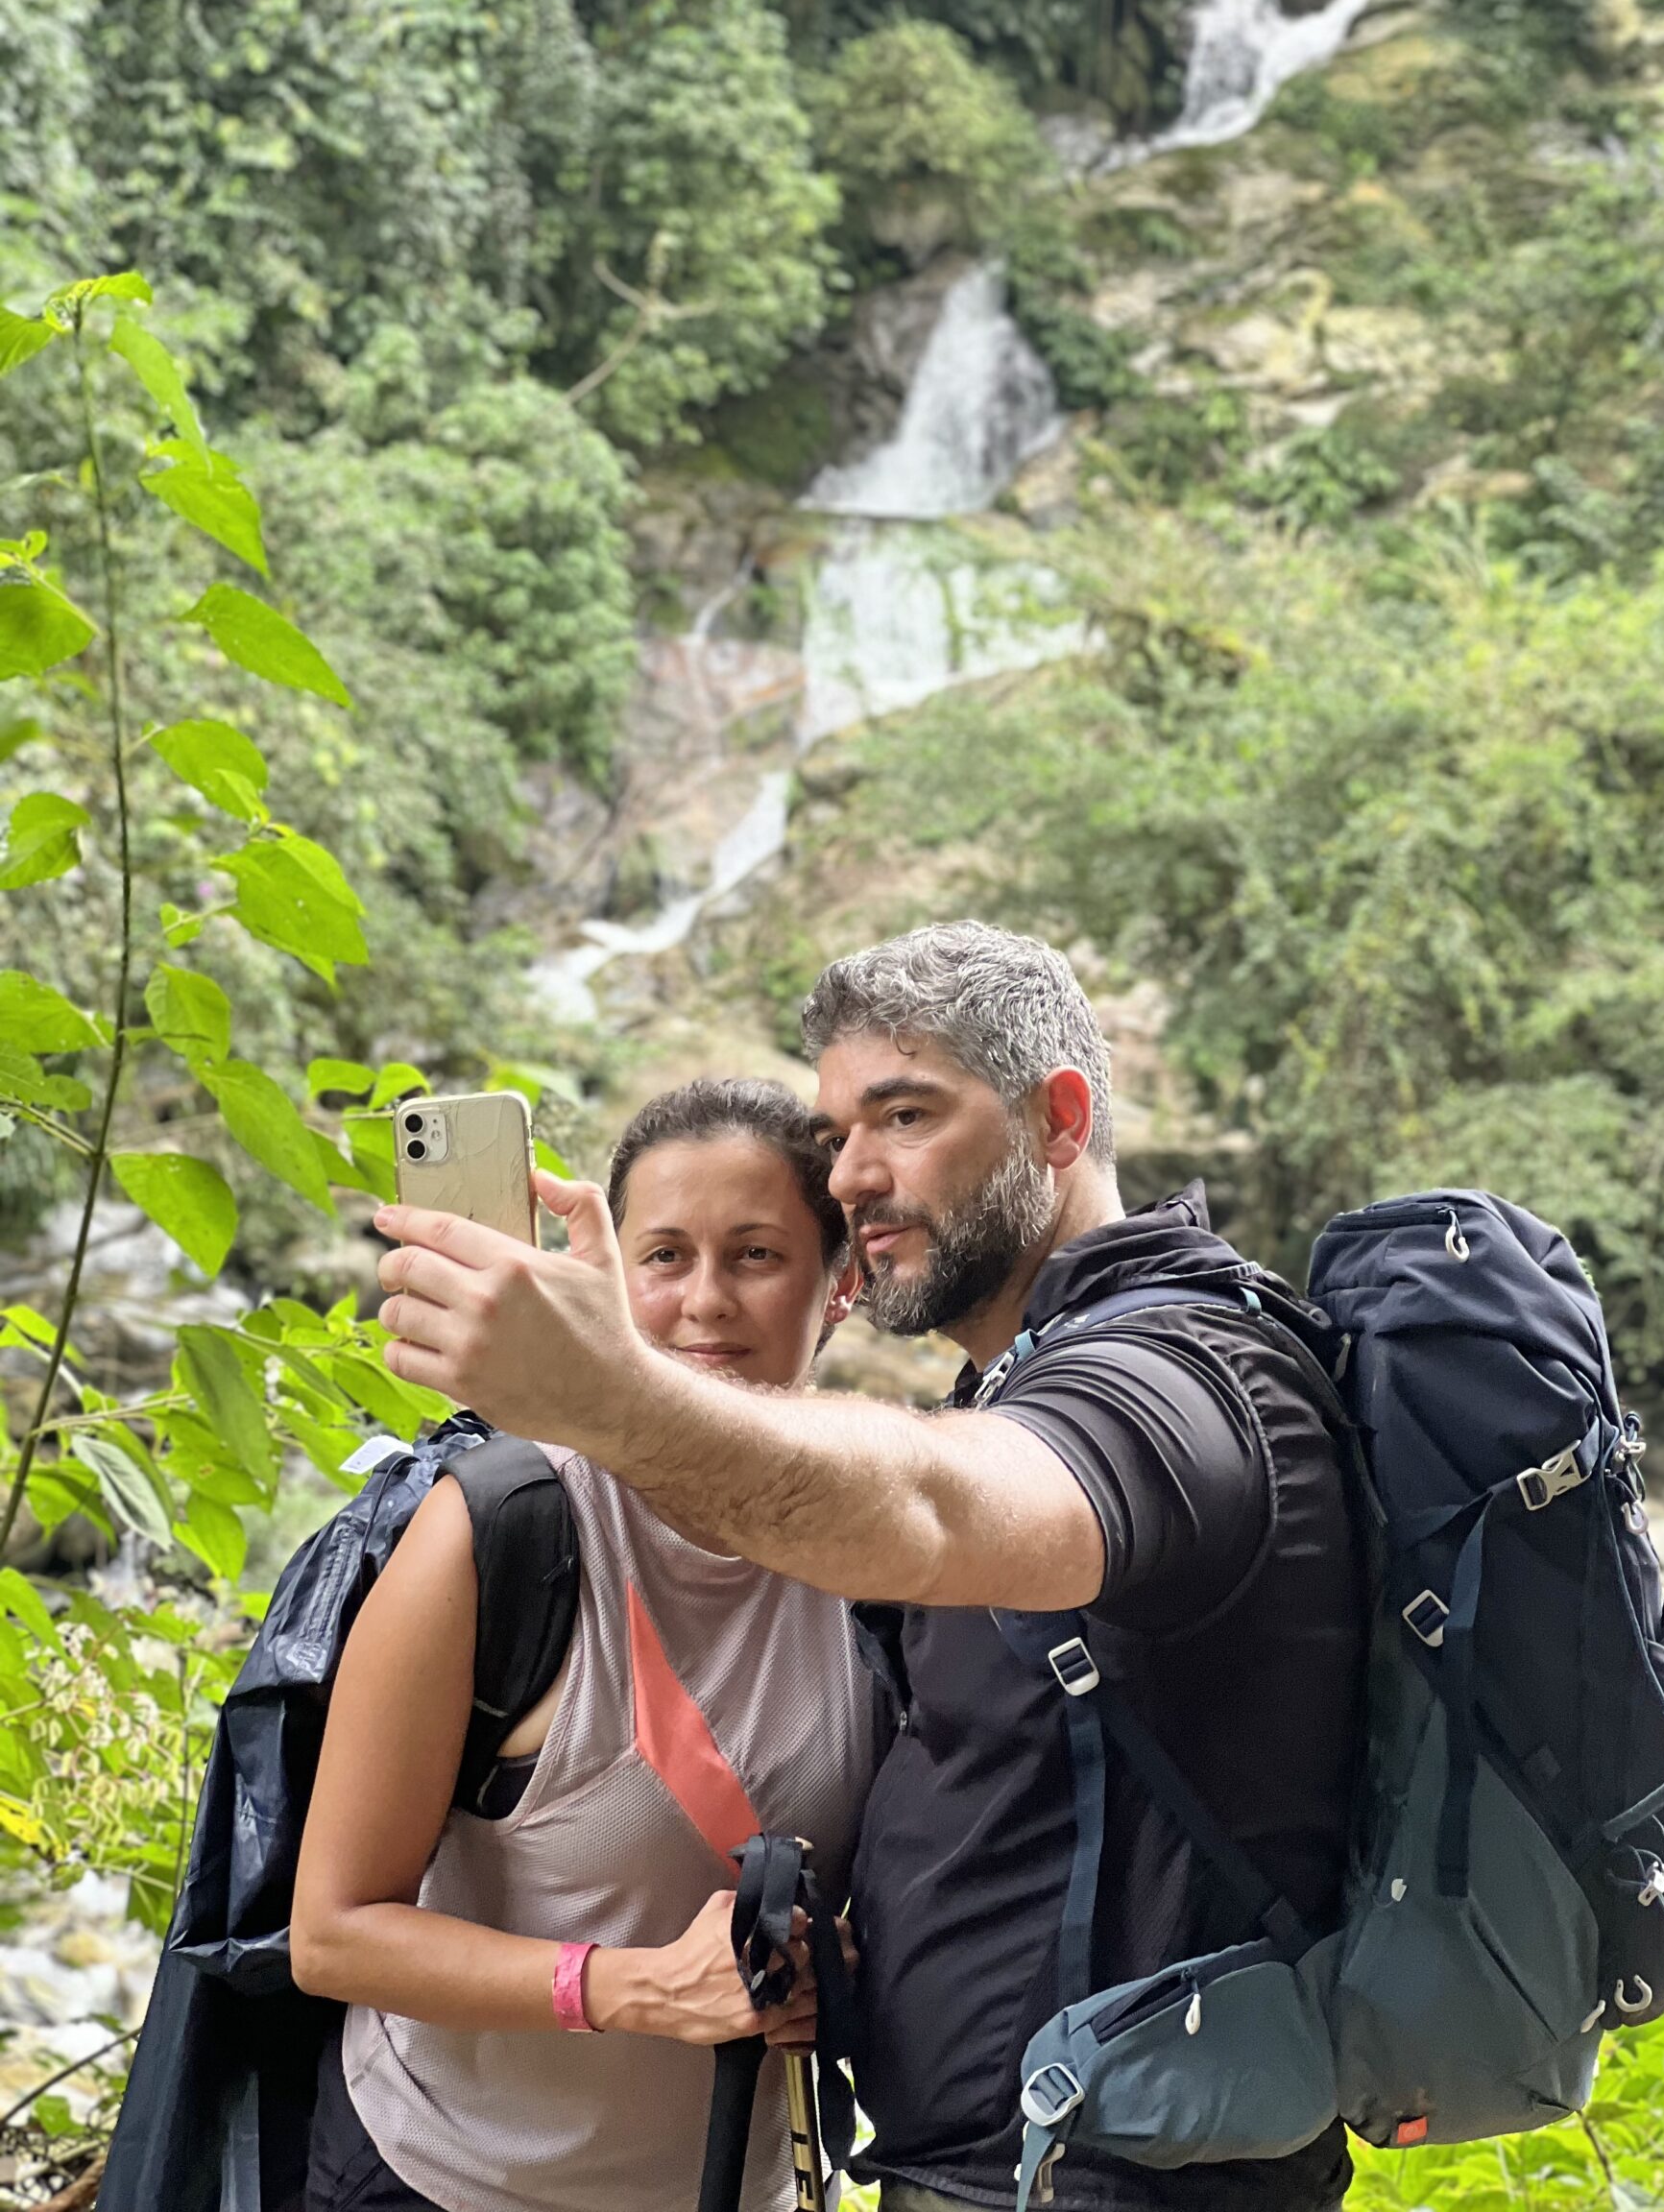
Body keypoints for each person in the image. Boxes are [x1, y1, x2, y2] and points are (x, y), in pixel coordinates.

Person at [373, 924, 1366, 2212]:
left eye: (905, 1115)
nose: (851, 1175)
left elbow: (931, 1507)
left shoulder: (1176, 1387)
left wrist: (609, 1395)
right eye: (839, 1133)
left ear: (1059, 1120)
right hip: (1003, 2163)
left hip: (1114, 2181)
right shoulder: (1025, 1379)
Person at [292, 1078, 879, 2212]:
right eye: (664, 1256)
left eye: (757, 1254)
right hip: (441, 2178)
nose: (704, 1300)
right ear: (611, 1278)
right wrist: (633, 1987)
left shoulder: (886, 1549)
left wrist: (836, 1965)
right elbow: (333, 1934)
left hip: (729, 2186)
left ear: (841, 1284)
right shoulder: (502, 1530)